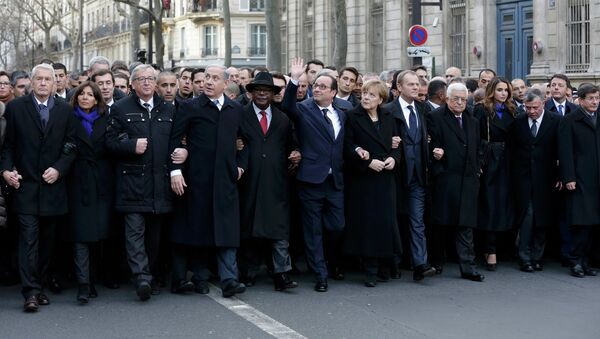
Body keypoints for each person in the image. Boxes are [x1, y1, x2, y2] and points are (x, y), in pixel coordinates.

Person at [0, 63, 77, 312]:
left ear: (56, 84)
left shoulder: (65, 110)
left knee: (47, 242)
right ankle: (30, 291)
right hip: (26, 186)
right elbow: (8, 146)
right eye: (39, 79)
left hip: (53, 187)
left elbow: (71, 145)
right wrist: (6, 171)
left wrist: (59, 168)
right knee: (28, 240)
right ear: (31, 83)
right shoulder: (15, 108)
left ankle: (40, 285)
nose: (44, 83)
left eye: (48, 79)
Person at [169, 65, 248, 298]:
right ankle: (201, 277)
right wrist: (176, 170)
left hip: (226, 181)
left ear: (225, 83)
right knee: (200, 229)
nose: (208, 82)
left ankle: (229, 279)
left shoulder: (235, 109)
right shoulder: (190, 107)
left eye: (214, 78)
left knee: (227, 232)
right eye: (206, 79)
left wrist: (241, 166)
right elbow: (176, 140)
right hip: (198, 180)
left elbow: (246, 142)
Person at [105, 64, 176, 301]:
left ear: (155, 84)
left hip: (159, 184)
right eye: (141, 79)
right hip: (132, 184)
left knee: (154, 236)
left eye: (150, 79)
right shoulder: (120, 108)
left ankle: (152, 275)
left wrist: (182, 152)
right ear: (132, 84)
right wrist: (130, 145)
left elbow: (180, 140)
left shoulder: (168, 109)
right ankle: (141, 277)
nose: (146, 83)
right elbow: (109, 142)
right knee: (134, 233)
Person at [281, 58, 346, 292]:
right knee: (313, 229)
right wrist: (294, 80)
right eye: (315, 85)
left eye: (322, 87)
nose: (316, 89)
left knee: (337, 226)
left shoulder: (342, 114)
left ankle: (328, 260)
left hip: (334, 181)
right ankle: (320, 273)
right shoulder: (304, 109)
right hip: (310, 180)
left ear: (333, 93)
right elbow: (287, 106)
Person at [237, 72, 300, 291]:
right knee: (249, 228)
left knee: (279, 231)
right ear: (252, 92)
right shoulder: (240, 115)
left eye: (268, 90)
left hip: (276, 182)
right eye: (258, 89)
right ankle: (248, 271)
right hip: (249, 181)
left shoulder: (283, 118)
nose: (263, 93)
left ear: (274, 94)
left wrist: (295, 153)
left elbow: (293, 144)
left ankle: (281, 273)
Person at [343, 79, 402, 287]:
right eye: (365, 93)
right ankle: (369, 270)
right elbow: (347, 146)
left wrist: (394, 158)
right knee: (367, 225)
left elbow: (397, 143)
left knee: (386, 223)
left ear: (381, 99)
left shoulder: (388, 116)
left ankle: (385, 266)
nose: (366, 97)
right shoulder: (352, 116)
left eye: (371, 95)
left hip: (385, 178)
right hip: (364, 180)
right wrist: (367, 162)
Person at [427, 83, 484, 282]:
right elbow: (431, 145)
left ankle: (468, 267)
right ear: (446, 98)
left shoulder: (472, 120)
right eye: (455, 99)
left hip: (467, 179)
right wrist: (437, 158)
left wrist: (477, 168)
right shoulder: (435, 117)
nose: (460, 103)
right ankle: (436, 262)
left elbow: (477, 148)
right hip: (446, 179)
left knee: (465, 225)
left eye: (463, 99)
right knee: (440, 224)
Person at [383, 70, 435, 281]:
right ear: (399, 87)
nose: (416, 87)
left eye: (417, 84)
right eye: (411, 84)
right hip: (395, 174)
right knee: (392, 220)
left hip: (418, 176)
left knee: (417, 221)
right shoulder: (387, 110)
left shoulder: (423, 109)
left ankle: (420, 264)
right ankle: (392, 263)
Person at [64, 82, 113, 304]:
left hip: (101, 182)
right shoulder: (68, 118)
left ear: (96, 99)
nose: (85, 98)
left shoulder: (106, 119)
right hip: (77, 181)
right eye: (81, 94)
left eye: (90, 95)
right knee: (81, 235)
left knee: (98, 234)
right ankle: (83, 284)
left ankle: (93, 278)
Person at [508, 89, 560, 273]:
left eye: (535, 107)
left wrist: (560, 175)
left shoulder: (555, 121)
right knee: (527, 217)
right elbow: (512, 150)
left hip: (547, 178)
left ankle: (537, 257)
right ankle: (524, 257)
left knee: (542, 218)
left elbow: (560, 150)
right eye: (528, 108)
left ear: (543, 104)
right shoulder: (518, 122)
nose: (531, 111)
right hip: (523, 178)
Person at [474, 77, 517, 271]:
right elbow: (476, 137)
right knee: (489, 204)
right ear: (492, 90)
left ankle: (502, 247)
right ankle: (488, 249)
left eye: (506, 90)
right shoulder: (482, 110)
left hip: (507, 160)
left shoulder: (513, 110)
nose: (504, 93)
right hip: (489, 159)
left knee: (504, 204)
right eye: (500, 90)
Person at [558, 83, 600, 278]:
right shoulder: (570, 120)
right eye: (591, 99)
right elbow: (565, 152)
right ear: (581, 100)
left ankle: (588, 261)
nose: (595, 102)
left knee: (594, 224)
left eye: (597, 98)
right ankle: (575, 261)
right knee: (581, 223)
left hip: (597, 178)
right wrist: (569, 177)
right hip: (580, 179)